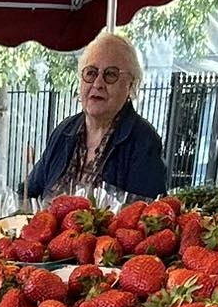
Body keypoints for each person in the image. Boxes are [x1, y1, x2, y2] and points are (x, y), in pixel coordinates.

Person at [25, 32, 169, 204]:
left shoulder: (144, 141)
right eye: (91, 73)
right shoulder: (65, 131)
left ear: (130, 84)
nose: (98, 83)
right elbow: (29, 193)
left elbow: (148, 217)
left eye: (110, 74)